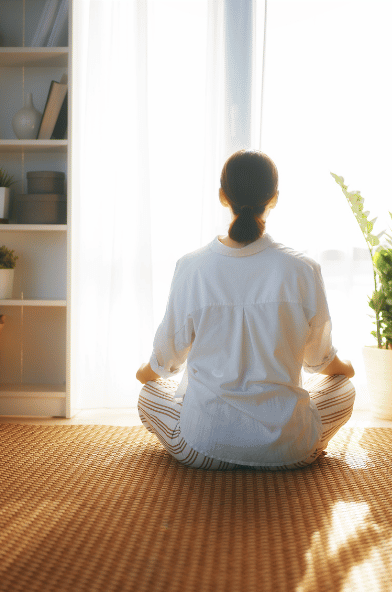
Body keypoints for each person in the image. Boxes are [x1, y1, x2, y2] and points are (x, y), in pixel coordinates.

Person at [136, 149, 355, 470]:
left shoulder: (192, 267)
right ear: (275, 198)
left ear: (223, 197)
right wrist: (344, 368)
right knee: (344, 389)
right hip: (289, 454)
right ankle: (289, 437)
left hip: (202, 449)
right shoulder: (303, 269)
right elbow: (319, 361)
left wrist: (145, 375)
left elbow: (166, 360)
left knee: (149, 395)